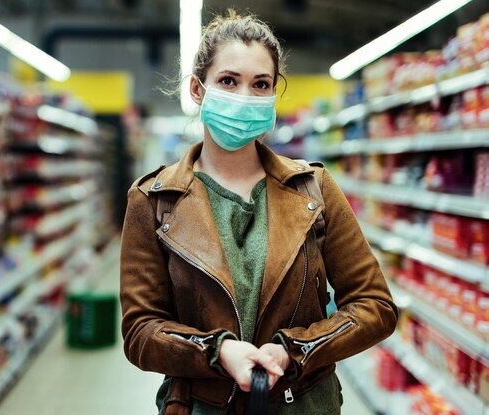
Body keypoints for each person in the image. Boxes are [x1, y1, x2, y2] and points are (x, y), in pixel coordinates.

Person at [120, 9, 398, 415]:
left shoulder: (313, 190)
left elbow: (375, 305)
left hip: (302, 404)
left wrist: (296, 350)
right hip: (201, 405)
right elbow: (140, 331)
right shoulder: (154, 199)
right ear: (198, 90)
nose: (244, 97)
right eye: (228, 81)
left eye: (260, 84)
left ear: (273, 95)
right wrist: (216, 352)